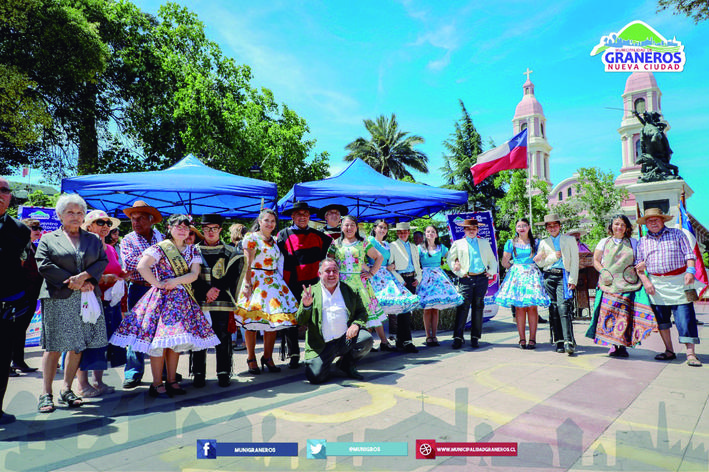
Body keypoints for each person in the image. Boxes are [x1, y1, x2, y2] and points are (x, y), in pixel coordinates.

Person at [110, 214, 219, 397]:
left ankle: (171, 380)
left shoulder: (192, 250)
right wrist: (157, 283)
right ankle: (156, 383)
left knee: (174, 342)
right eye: (178, 227)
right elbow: (142, 266)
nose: (182, 230)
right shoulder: (160, 248)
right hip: (161, 299)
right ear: (169, 228)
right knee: (159, 343)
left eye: (186, 227)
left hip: (182, 300)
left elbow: (194, 274)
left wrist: (175, 281)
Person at [35, 194, 108, 413]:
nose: (75, 216)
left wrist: (85, 278)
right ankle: (46, 393)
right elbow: (43, 264)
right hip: (59, 297)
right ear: (60, 215)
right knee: (54, 346)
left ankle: (66, 389)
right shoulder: (48, 239)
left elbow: (102, 261)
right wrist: (73, 282)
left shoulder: (93, 239)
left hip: (86, 297)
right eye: (70, 212)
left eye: (79, 212)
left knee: (78, 345)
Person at [635, 208, 701, 366]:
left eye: (656, 219)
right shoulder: (642, 241)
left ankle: (690, 354)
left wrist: (690, 271)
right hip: (656, 286)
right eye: (649, 221)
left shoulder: (678, 234)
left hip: (680, 282)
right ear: (645, 224)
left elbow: (689, 256)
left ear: (663, 220)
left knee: (685, 319)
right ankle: (669, 350)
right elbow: (638, 266)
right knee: (662, 320)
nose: (653, 223)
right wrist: (646, 282)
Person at [235, 209, 298, 374]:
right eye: (267, 220)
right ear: (260, 221)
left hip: (273, 282)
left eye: (273, 221)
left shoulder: (275, 240)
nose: (270, 224)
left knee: (273, 323)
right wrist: (247, 284)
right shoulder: (251, 238)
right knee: (251, 322)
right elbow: (247, 264)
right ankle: (251, 358)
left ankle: (268, 357)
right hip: (256, 281)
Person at [585, 214, 657, 357]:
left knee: (624, 316)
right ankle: (613, 345)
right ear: (611, 226)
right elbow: (596, 261)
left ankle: (622, 345)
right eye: (616, 224)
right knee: (609, 315)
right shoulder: (604, 242)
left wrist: (642, 265)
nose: (619, 227)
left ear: (627, 227)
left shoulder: (633, 242)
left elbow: (640, 260)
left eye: (623, 224)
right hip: (609, 285)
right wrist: (603, 271)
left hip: (627, 284)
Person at [297, 258, 373, 384]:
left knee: (366, 339)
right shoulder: (312, 292)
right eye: (328, 271)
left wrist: (356, 324)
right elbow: (300, 320)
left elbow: (362, 312)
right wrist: (306, 306)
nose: (332, 274)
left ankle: (345, 364)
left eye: (335, 271)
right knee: (315, 377)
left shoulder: (349, 290)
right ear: (319, 273)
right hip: (321, 345)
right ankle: (324, 364)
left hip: (345, 339)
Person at [277, 201, 332, 368]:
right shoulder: (283, 235)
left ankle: (315, 351)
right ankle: (294, 354)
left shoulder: (320, 237)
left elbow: (331, 255)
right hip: (291, 283)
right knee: (292, 319)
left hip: (314, 283)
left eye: (306, 214)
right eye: (299, 214)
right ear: (292, 216)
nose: (303, 217)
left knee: (315, 318)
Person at [77, 210, 126, 397]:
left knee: (102, 343)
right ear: (89, 226)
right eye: (100, 222)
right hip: (90, 301)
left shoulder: (111, 249)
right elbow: (81, 275)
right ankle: (82, 384)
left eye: (108, 223)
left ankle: (98, 381)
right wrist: (105, 278)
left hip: (109, 302)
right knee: (85, 343)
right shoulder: (85, 247)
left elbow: (117, 270)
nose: (105, 226)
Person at [190, 213, 243, 387]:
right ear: (202, 230)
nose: (210, 232)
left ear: (220, 230)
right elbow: (190, 276)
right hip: (199, 299)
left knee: (223, 336)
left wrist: (215, 289)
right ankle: (198, 373)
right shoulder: (193, 251)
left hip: (222, 300)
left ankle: (224, 372)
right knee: (199, 336)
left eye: (214, 228)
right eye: (207, 228)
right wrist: (206, 290)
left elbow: (232, 275)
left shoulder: (231, 251)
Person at [120, 201, 164, 388]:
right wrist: (154, 258)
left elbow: (167, 262)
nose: (135, 222)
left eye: (140, 219)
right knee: (136, 329)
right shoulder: (128, 239)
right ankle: (133, 372)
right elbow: (130, 263)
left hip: (159, 289)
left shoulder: (161, 238)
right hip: (138, 288)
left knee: (161, 330)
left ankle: (163, 371)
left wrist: (145, 261)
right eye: (133, 219)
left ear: (151, 220)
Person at [0, 178, 31, 423]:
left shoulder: (20, 230)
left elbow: (22, 266)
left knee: (2, 360)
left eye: (4, 190)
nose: (0, 194)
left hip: (6, 306)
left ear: (10, 196)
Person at [328, 215, 386, 345]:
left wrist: (371, 273)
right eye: (346, 225)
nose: (349, 228)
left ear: (356, 227)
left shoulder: (362, 242)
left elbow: (379, 257)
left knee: (364, 313)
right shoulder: (335, 244)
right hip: (341, 284)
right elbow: (330, 262)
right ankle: (347, 345)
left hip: (360, 284)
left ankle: (369, 343)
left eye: (352, 225)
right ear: (341, 227)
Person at [494, 219, 550, 350]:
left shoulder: (537, 242)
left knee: (532, 307)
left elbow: (544, 256)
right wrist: (515, 269)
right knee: (519, 307)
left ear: (529, 227)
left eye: (524, 225)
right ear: (516, 228)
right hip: (517, 276)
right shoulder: (511, 243)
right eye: (519, 226)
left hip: (532, 276)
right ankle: (522, 339)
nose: (522, 228)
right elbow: (504, 262)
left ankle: (532, 339)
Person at [367, 219, 419, 350]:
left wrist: (391, 266)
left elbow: (391, 261)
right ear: (374, 228)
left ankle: (386, 341)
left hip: (386, 277)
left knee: (382, 310)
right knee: (372, 308)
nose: (382, 230)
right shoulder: (369, 241)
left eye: (385, 228)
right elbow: (360, 257)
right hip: (374, 276)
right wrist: (369, 270)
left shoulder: (386, 244)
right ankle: (367, 342)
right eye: (380, 227)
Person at [447, 218, 498, 349]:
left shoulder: (484, 242)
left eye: (474, 229)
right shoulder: (458, 243)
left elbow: (492, 259)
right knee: (463, 307)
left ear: (477, 230)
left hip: (481, 278)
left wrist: (491, 271)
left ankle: (475, 337)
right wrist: (459, 272)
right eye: (468, 229)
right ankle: (458, 337)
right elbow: (450, 260)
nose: (471, 231)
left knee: (478, 307)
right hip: (466, 278)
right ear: (464, 230)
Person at [534, 213, 580, 355]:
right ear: (546, 228)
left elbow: (575, 261)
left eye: (555, 225)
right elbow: (540, 263)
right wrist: (554, 256)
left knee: (563, 307)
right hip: (549, 276)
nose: (552, 228)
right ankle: (558, 340)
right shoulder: (543, 243)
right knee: (553, 308)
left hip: (563, 276)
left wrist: (573, 279)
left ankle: (568, 340)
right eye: (549, 226)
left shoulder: (569, 240)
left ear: (559, 226)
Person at [417, 225, 463, 347]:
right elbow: (414, 262)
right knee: (427, 309)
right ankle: (428, 335)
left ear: (436, 234)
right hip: (425, 277)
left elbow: (452, 256)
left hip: (438, 277)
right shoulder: (420, 248)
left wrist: (457, 262)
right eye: (428, 231)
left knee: (435, 308)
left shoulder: (441, 247)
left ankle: (434, 335)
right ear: (425, 234)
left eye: (433, 231)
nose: (430, 233)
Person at [12, 218, 43, 375]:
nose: (38, 230)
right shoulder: (18, 247)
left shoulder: (34, 247)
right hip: (18, 295)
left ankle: (18, 361)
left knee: (21, 329)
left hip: (31, 295)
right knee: (12, 330)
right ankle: (6, 365)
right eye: (34, 227)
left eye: (39, 228)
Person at [389, 222, 422, 353]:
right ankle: (407, 341)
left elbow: (417, 264)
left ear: (409, 232)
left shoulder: (413, 247)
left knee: (407, 311)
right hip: (401, 280)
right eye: (400, 232)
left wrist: (418, 278)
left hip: (412, 279)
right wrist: (400, 280)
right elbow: (390, 266)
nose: (403, 234)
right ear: (397, 233)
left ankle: (400, 340)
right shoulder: (393, 245)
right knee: (403, 310)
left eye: (405, 231)